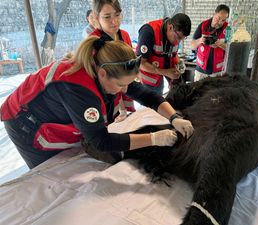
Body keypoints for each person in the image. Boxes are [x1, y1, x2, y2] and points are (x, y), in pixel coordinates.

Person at [0, 36, 194, 169]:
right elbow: (101, 141)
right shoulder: (78, 89)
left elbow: (147, 95)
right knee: (50, 174)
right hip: (26, 123)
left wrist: (174, 117)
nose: (123, 90)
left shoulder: (110, 70)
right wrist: (153, 138)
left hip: (59, 112)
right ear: (102, 74)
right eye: (120, 85)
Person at [90, 0, 135, 122]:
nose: (114, 21)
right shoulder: (94, 43)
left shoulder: (124, 35)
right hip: (105, 100)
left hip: (123, 92)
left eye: (117, 15)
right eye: (107, 17)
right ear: (96, 17)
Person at [136, 13, 191, 95]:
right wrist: (165, 72)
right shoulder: (148, 31)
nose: (178, 41)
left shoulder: (174, 34)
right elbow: (141, 63)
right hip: (150, 79)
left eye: (182, 39)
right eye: (178, 37)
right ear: (170, 27)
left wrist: (179, 64)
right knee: (153, 103)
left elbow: (173, 54)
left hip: (165, 74)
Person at [190, 4, 230, 81]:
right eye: (218, 18)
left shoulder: (228, 29)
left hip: (218, 73)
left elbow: (231, 49)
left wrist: (220, 44)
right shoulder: (203, 25)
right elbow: (192, 46)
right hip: (200, 72)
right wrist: (200, 40)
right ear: (214, 14)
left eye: (223, 20)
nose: (220, 22)